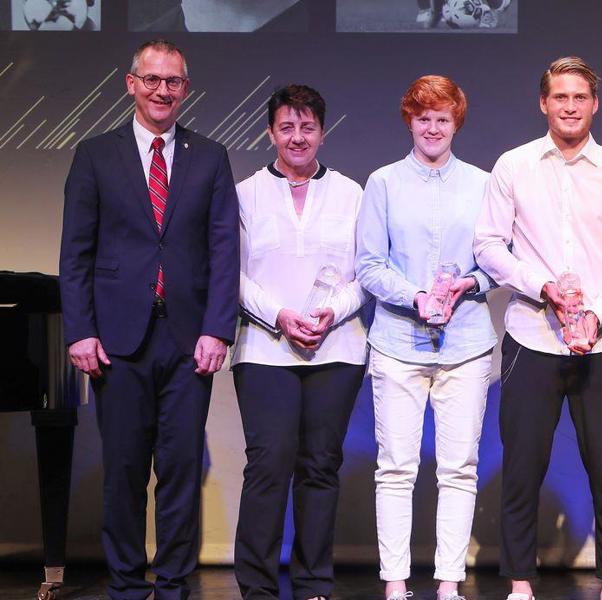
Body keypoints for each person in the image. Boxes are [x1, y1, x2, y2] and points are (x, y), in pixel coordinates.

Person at [58, 39, 239, 599]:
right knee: (125, 474)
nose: (164, 91)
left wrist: (217, 328)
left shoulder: (211, 156)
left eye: (174, 82)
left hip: (188, 340)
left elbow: (224, 249)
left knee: (181, 472)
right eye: (153, 80)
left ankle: (177, 586)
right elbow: (75, 253)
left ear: (185, 89)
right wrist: (80, 330)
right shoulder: (94, 154)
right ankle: (127, 588)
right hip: (117, 339)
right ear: (131, 83)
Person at [473, 56, 602, 600]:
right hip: (532, 335)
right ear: (543, 103)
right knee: (522, 468)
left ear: (594, 105)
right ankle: (521, 584)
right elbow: (487, 245)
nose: (569, 107)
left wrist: (596, 309)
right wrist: (540, 286)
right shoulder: (514, 166)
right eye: (559, 97)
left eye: (579, 97)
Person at [355, 75, 496, 600]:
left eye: (443, 118)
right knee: (396, 468)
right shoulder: (383, 182)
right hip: (397, 341)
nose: (433, 128)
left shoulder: (483, 184)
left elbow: (498, 263)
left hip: (465, 344)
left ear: (456, 122)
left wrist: (471, 283)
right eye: (423, 118)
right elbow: (369, 266)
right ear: (409, 121)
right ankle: (395, 582)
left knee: (459, 468)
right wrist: (415, 296)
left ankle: (449, 583)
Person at [231, 84, 370, 600]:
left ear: (322, 132)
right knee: (268, 464)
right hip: (265, 349)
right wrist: (281, 316)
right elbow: (233, 273)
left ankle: (313, 583)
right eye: (286, 127)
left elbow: (367, 272)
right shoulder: (244, 193)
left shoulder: (352, 193)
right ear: (270, 132)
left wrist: (331, 312)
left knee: (320, 465)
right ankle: (258, 587)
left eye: (307, 127)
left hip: (336, 350)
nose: (297, 137)